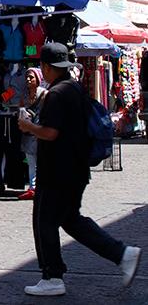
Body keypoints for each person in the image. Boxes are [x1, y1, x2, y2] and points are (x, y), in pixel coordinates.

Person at [18, 43, 142, 296]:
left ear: (46, 67)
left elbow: (51, 133)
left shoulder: (57, 94)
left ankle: (52, 276)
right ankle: (122, 254)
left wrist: (28, 126)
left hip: (56, 171)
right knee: (70, 220)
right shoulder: (74, 89)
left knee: (44, 222)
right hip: (75, 169)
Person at [18, 67, 46, 201]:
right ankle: (32, 188)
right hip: (28, 133)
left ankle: (41, 187)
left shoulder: (44, 94)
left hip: (40, 132)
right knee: (31, 162)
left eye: (31, 77)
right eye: (27, 77)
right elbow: (20, 110)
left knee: (41, 162)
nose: (28, 80)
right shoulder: (24, 96)